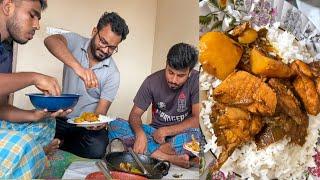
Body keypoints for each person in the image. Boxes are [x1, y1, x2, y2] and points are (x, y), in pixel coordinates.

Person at [0, 0, 71, 178]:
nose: (37, 25)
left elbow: (0, 108)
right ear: (8, 6)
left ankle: (32, 154)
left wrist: (34, 115)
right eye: (32, 15)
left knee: (46, 124)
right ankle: (34, 153)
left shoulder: (6, 49)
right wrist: (34, 77)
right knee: (23, 144)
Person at [44, 12, 129, 159]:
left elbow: (100, 112)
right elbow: (50, 40)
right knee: (38, 128)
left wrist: (97, 122)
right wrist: (79, 68)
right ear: (94, 31)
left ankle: (60, 142)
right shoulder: (76, 41)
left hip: (84, 127)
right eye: (103, 41)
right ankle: (59, 139)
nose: (105, 50)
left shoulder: (113, 74)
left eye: (112, 47)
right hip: (62, 118)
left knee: (97, 148)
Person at [108, 43, 201, 168]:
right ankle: (169, 157)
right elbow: (135, 115)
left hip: (181, 134)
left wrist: (166, 131)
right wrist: (140, 134)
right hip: (154, 133)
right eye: (170, 72)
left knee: (199, 137)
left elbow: (196, 120)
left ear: (189, 72)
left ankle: (146, 153)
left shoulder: (197, 80)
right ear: (166, 64)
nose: (173, 80)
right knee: (114, 125)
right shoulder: (151, 81)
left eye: (180, 75)